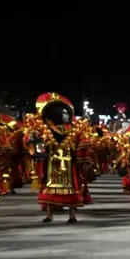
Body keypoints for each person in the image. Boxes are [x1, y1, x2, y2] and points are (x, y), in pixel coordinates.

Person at [22, 93, 88, 223]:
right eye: (63, 113)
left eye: (67, 113)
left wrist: (83, 158)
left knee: (72, 189)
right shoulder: (44, 129)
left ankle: (72, 215)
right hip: (50, 165)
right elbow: (30, 143)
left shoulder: (72, 129)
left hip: (69, 165)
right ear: (55, 114)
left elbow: (82, 145)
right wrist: (33, 140)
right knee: (50, 189)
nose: (67, 116)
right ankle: (49, 215)